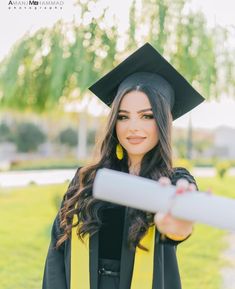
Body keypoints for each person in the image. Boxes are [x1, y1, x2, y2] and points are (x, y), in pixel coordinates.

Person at [42, 43, 204, 289]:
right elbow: (58, 247)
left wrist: (179, 223)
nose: (133, 127)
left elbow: (177, 225)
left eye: (147, 116)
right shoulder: (87, 179)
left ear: (162, 122)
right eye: (123, 116)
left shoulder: (172, 181)